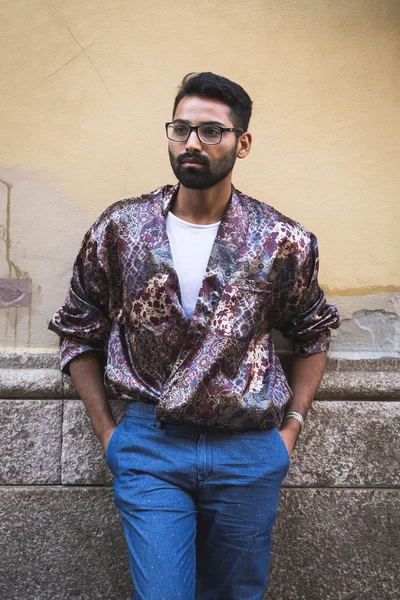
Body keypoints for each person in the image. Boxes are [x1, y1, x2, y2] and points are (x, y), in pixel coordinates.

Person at [49, 72, 341, 600]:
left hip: (248, 449)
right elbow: (78, 328)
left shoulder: (281, 241)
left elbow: (313, 332)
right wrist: (110, 436)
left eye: (211, 131)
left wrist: (289, 432)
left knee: (236, 596)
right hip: (150, 447)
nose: (192, 143)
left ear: (242, 143)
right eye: (181, 129)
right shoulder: (122, 229)